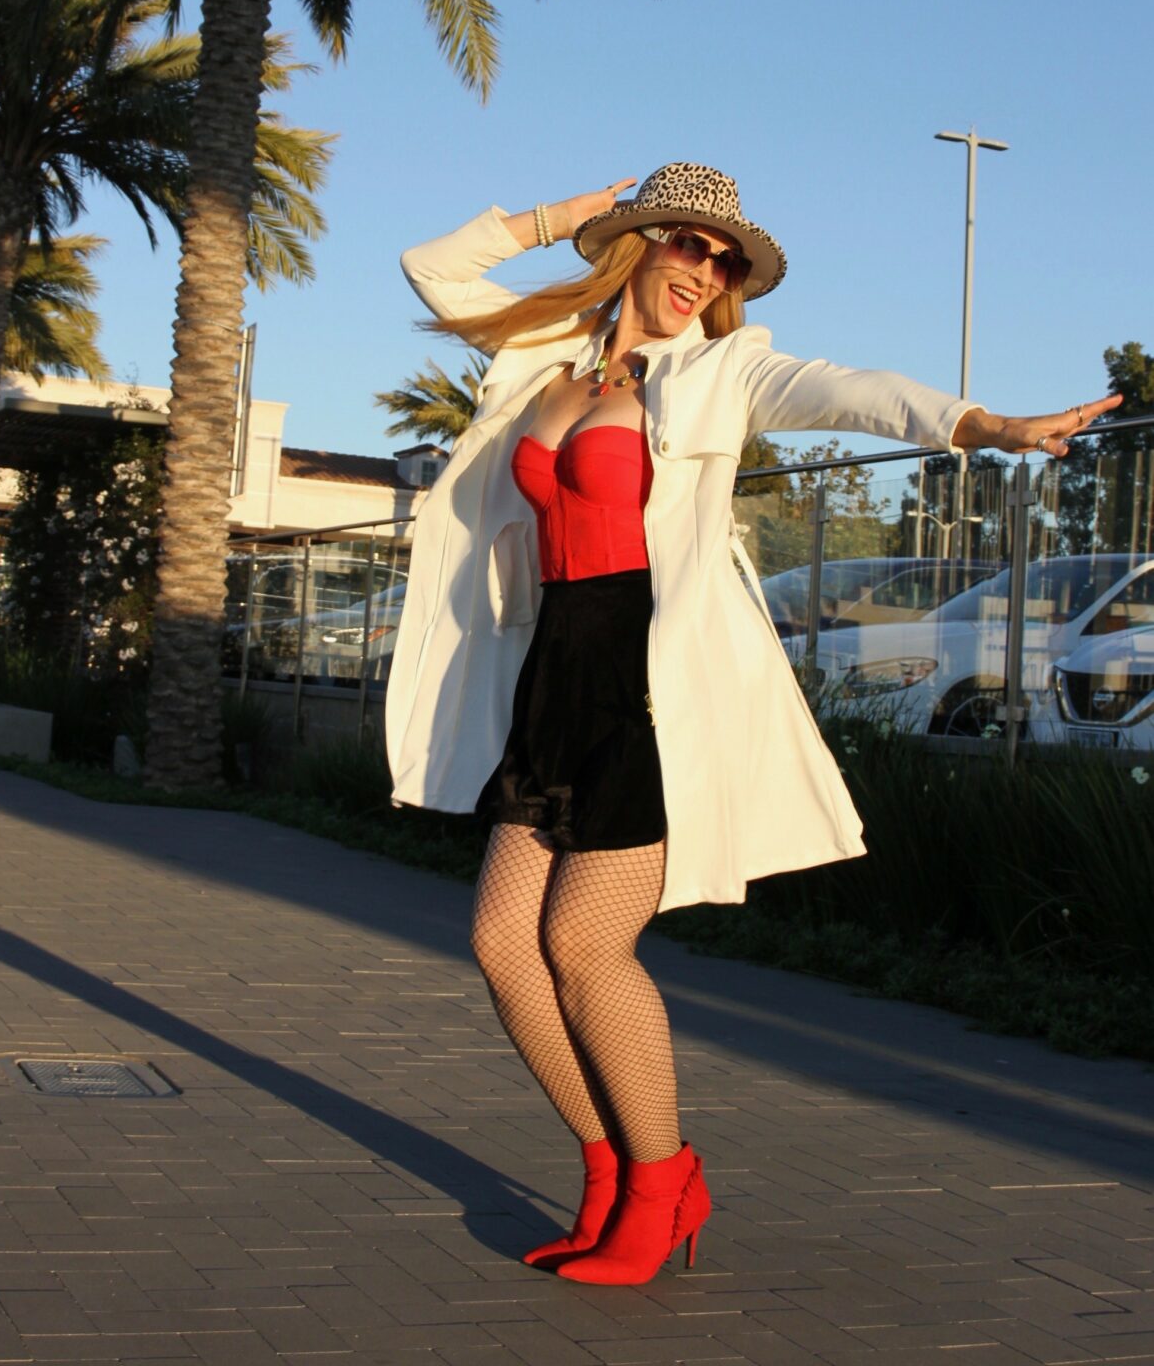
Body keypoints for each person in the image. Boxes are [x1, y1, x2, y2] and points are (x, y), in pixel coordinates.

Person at [385, 165, 1119, 1286]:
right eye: (691, 245)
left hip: (649, 688)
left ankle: (666, 1174)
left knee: (584, 948)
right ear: (638, 242)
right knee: (503, 949)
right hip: (553, 677)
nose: (708, 273)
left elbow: (852, 390)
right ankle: (609, 1170)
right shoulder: (545, 357)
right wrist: (551, 220)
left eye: (727, 260)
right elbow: (432, 269)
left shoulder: (723, 368)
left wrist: (991, 423)